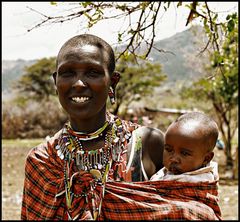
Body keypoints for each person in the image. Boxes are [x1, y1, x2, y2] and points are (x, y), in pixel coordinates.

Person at [21, 34, 164, 220]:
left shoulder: (147, 144)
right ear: (56, 82)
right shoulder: (42, 161)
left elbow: (188, 208)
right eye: (68, 73)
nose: (79, 83)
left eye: (92, 73)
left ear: (112, 82)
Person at [150, 111, 219, 183]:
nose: (173, 159)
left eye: (184, 153)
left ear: (206, 159)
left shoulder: (196, 182)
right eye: (169, 149)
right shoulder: (172, 172)